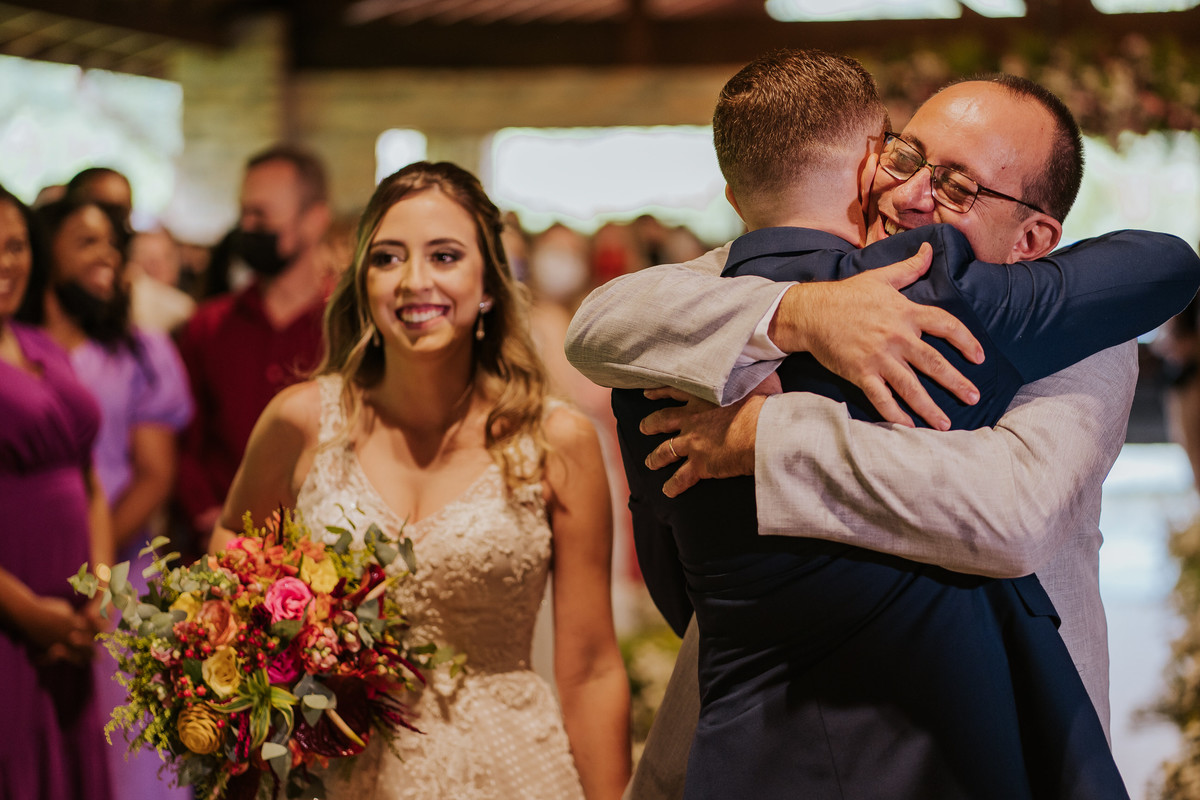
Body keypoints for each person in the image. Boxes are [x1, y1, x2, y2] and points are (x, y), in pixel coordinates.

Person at [565, 59, 1198, 798]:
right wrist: (801, 314)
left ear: (1031, 238)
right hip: (768, 736)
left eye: (956, 184)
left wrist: (769, 437)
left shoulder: (1084, 333)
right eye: (905, 155)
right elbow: (603, 323)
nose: (907, 191)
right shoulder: (785, 278)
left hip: (1009, 737)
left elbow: (1011, 512)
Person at [210, 161, 631, 799]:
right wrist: (276, 663)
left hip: (511, 770)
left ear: (486, 281)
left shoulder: (554, 441)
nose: (414, 281)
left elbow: (592, 668)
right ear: (362, 280)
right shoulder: (301, 422)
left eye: (444, 255)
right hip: (339, 769)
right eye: (387, 258)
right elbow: (228, 557)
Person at [21, 196, 194, 800]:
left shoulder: (142, 352)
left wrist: (94, 570)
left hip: (121, 569)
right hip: (23, 571)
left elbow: (153, 473)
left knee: (129, 748)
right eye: (85, 243)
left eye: (111, 245)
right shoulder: (19, 350)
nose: (108, 257)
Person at [0, 184, 114, 800]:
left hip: (70, 622)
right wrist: (24, 612)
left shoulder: (41, 344)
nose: (5, 263)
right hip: (11, 614)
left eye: (15, 245)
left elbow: (89, 478)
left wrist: (99, 584)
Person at [176, 144, 333, 550]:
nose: (247, 225)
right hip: (219, 545)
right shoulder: (209, 325)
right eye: (244, 213)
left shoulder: (345, 324)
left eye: (261, 215)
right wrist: (209, 513)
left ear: (314, 220)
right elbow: (185, 437)